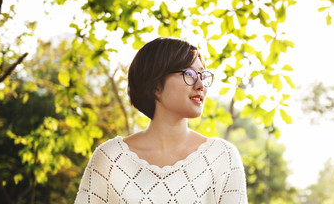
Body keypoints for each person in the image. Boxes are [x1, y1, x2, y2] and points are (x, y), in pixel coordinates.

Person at [74, 37, 248, 203]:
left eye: (203, 75)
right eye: (189, 74)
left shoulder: (222, 157)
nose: (200, 84)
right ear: (156, 86)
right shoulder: (111, 159)